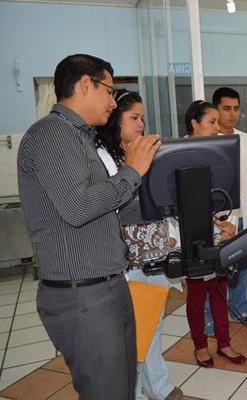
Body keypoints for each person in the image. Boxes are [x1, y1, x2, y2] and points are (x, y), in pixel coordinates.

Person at [17, 54, 160, 399]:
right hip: (82, 296)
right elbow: (78, 208)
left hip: (107, 286)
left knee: (122, 389)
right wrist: (132, 172)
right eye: (109, 91)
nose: (114, 102)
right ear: (85, 84)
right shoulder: (51, 134)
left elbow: (110, 210)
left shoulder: (83, 138)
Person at [95, 89, 183, 400]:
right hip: (126, 261)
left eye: (142, 118)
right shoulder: (105, 161)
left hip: (155, 255)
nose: (141, 124)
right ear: (114, 121)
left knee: (151, 327)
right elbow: (122, 209)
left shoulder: (147, 156)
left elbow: (162, 202)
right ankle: (135, 392)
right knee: (129, 334)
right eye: (134, 118)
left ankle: (158, 387)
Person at [182, 100, 247, 368]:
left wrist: (228, 223)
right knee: (196, 296)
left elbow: (227, 193)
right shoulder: (178, 153)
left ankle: (224, 343)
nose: (218, 128)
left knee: (220, 292)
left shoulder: (219, 152)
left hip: (219, 230)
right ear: (194, 124)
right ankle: (200, 346)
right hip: (191, 233)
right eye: (212, 122)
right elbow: (175, 199)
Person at [212, 87, 247, 321]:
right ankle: (212, 317)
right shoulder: (209, 139)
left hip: (244, 214)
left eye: (236, 109)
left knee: (242, 264)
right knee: (216, 270)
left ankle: (241, 308)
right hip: (220, 218)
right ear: (216, 109)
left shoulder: (246, 139)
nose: (232, 114)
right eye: (226, 108)